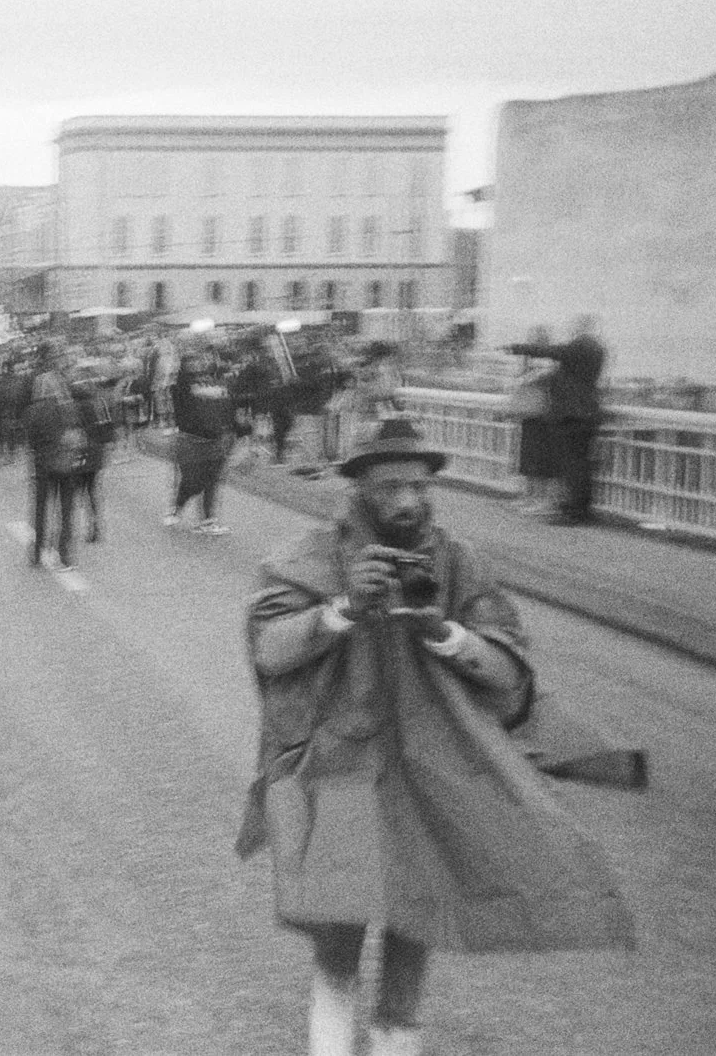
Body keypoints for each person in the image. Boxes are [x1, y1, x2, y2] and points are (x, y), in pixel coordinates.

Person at [240, 418, 642, 1056]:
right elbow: (270, 651)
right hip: (339, 767)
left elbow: (510, 672)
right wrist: (341, 609)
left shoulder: (456, 562)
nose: (406, 501)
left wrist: (446, 635)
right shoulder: (310, 558)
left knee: (415, 924)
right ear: (358, 490)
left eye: (419, 486)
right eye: (389, 487)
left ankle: (397, 1042)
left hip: (432, 771)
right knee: (339, 933)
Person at [507, 315, 606, 525]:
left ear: (582, 328)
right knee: (581, 465)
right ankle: (579, 510)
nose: (572, 330)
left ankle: (574, 512)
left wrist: (518, 348)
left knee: (573, 466)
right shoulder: (596, 349)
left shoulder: (581, 346)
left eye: (575, 327)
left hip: (573, 415)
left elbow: (552, 352)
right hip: (586, 413)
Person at [23, 346, 85, 570]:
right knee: (66, 509)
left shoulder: (34, 410)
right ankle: (64, 554)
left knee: (41, 508)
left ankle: (37, 553)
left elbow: (29, 440)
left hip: (42, 465)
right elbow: (78, 433)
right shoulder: (69, 406)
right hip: (67, 464)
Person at [167, 349, 238, 535]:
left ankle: (208, 521)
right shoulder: (180, 386)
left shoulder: (210, 382)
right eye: (191, 362)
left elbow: (225, 403)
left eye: (199, 361)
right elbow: (186, 393)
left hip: (214, 439)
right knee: (193, 482)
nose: (197, 365)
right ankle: (178, 507)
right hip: (190, 440)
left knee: (212, 481)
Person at [507, 325, 560, 515]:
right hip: (530, 413)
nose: (534, 340)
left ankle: (541, 498)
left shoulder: (551, 359)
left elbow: (551, 380)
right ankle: (529, 496)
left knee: (540, 457)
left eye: (538, 337)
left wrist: (528, 379)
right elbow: (520, 377)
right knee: (527, 457)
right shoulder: (529, 358)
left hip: (543, 414)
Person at [68, 359, 118, 544]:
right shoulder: (99, 401)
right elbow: (108, 427)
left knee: (73, 492)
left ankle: (70, 527)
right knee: (92, 490)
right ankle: (95, 525)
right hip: (96, 451)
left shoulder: (71, 404)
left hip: (78, 452)